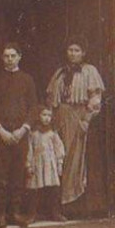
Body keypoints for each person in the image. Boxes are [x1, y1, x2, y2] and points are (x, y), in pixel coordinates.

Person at [0, 43, 39, 228]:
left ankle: (15, 213)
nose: (9, 59)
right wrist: (0, 130)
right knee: (0, 175)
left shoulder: (27, 80)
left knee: (17, 175)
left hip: (20, 134)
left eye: (13, 55)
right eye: (6, 56)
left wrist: (24, 129)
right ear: (2, 58)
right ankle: (0, 214)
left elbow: (33, 107)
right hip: (1, 135)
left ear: (19, 57)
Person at [46, 39, 105, 207]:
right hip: (59, 119)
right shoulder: (60, 72)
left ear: (83, 53)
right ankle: (58, 203)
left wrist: (86, 119)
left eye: (77, 50)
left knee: (76, 159)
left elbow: (95, 99)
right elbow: (51, 99)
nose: (73, 53)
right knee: (59, 157)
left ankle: (73, 201)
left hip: (79, 119)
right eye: (70, 50)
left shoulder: (89, 71)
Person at [26, 106, 67, 222]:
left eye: (49, 116)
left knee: (53, 188)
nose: (46, 118)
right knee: (34, 189)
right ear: (38, 116)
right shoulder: (33, 133)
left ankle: (55, 213)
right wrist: (28, 165)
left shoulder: (52, 133)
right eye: (44, 115)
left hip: (50, 163)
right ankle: (32, 214)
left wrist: (59, 163)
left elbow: (59, 148)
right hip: (37, 163)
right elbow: (29, 149)